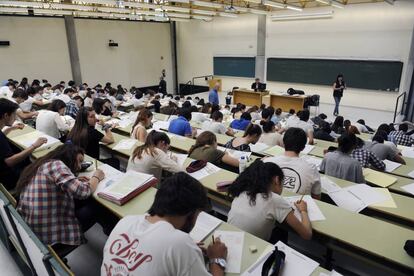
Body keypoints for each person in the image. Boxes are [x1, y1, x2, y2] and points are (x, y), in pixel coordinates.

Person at [102, 172, 228, 276]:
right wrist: (217, 259)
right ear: (190, 213)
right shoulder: (179, 243)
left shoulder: (126, 221)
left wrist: (185, 249)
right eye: (198, 215)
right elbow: (172, 246)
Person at [16, 145, 104, 246]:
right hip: (50, 236)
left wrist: (74, 180)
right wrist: (96, 177)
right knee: (97, 206)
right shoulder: (57, 165)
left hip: (33, 228)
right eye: (79, 161)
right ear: (69, 156)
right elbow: (84, 192)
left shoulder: (43, 163)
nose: (80, 166)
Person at [227, 160, 312, 242]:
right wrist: (303, 210)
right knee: (282, 231)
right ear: (276, 180)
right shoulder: (274, 199)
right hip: (253, 248)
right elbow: (307, 234)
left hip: (230, 239)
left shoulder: (244, 190)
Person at [0, 99, 47, 189]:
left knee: (23, 155)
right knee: (39, 165)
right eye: (14, 115)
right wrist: (34, 146)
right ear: (6, 115)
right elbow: (9, 161)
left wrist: (10, 129)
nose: (15, 118)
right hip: (8, 179)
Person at [264, 128, 321, 199]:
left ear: (283, 143)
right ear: (303, 148)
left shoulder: (266, 162)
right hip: (299, 206)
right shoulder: (311, 169)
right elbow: (316, 197)